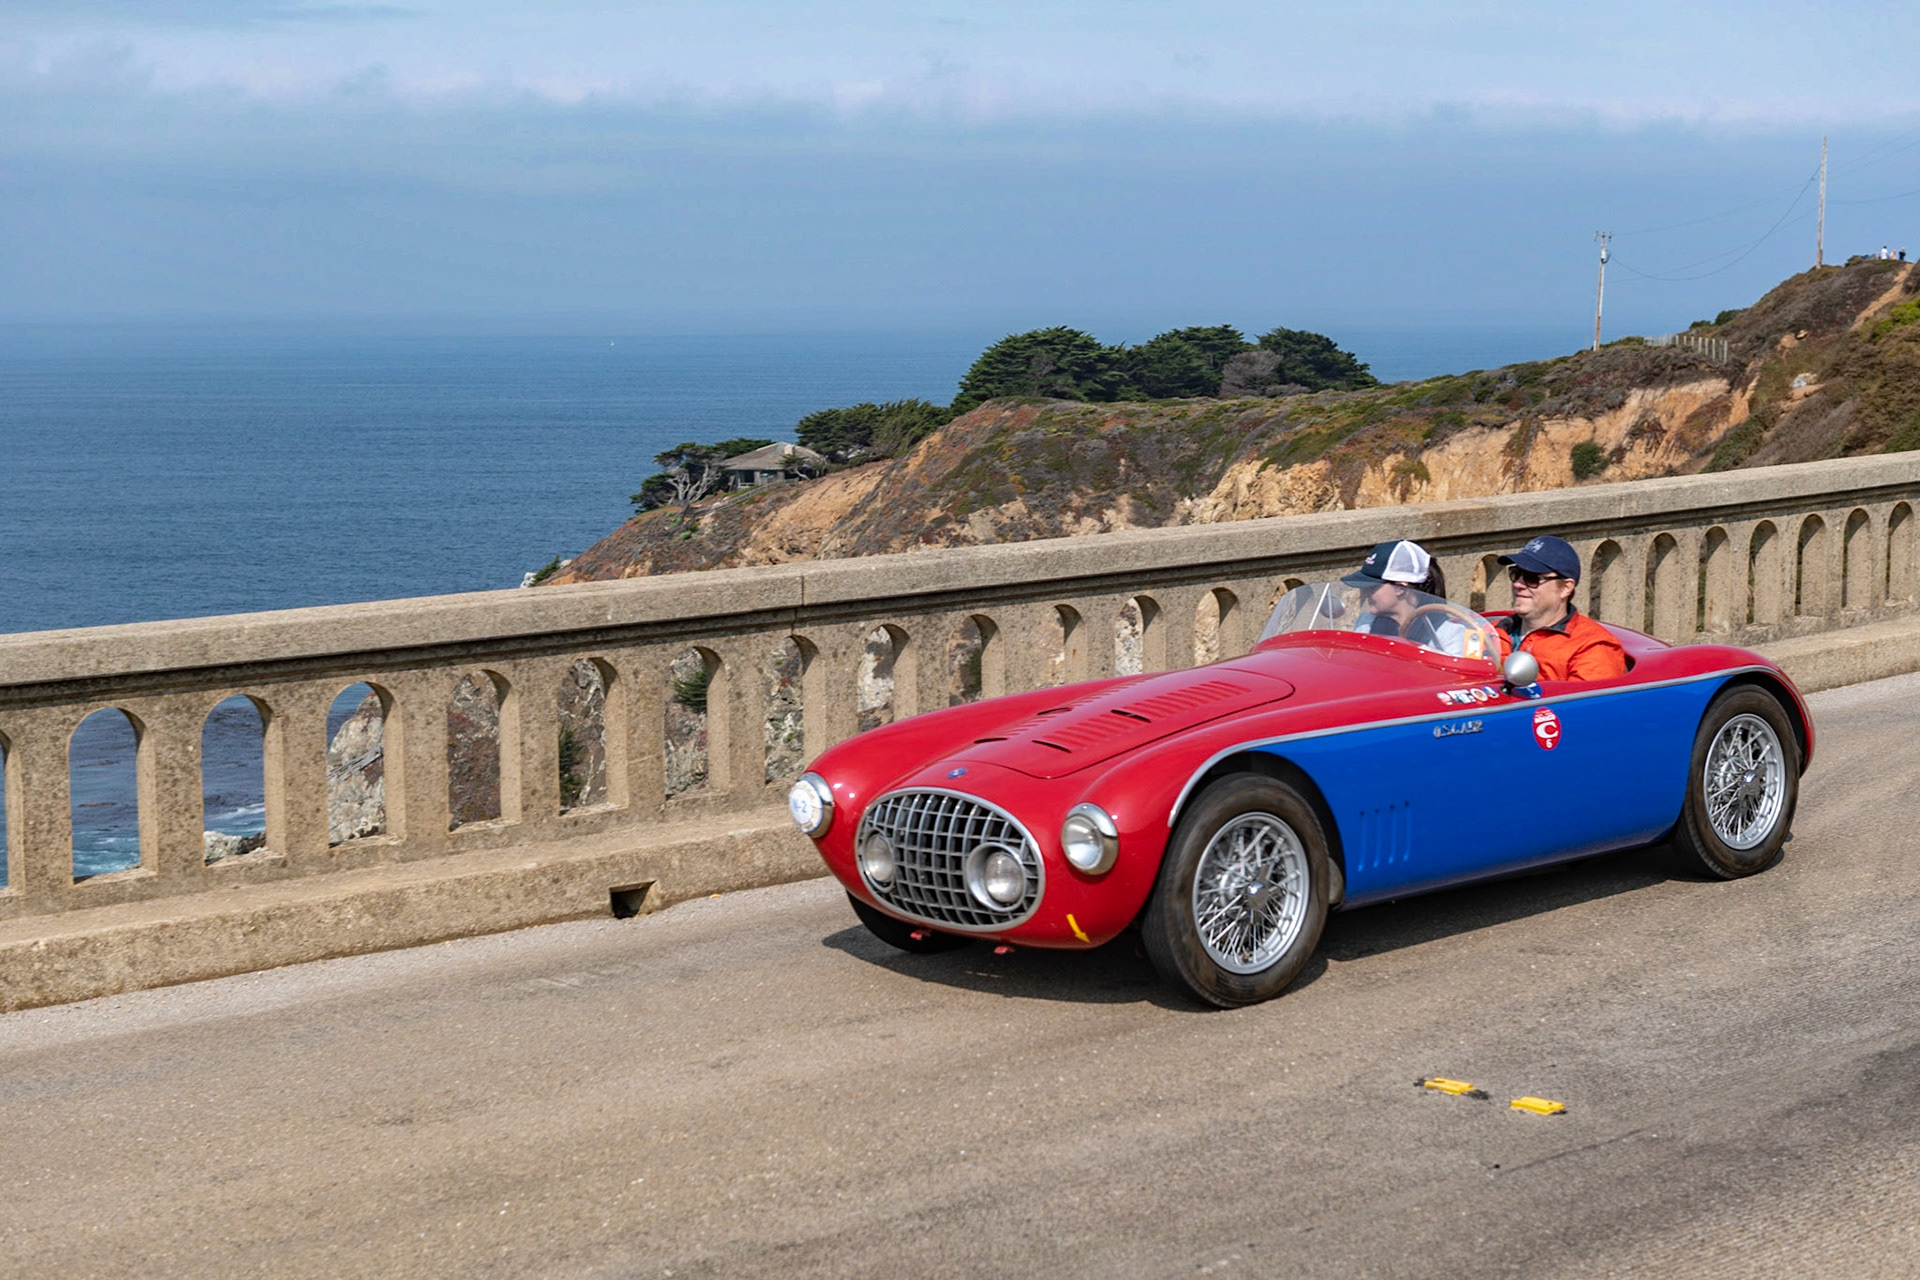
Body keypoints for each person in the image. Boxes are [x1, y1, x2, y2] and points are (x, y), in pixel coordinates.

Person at [1491, 535, 1626, 681]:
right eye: (1515, 574)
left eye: (1532, 578)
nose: (1518, 584)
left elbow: (1585, 703)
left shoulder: (1592, 647)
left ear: (1565, 588)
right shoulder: (1489, 633)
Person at [1342, 539, 1466, 654]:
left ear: (1399, 588)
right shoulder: (1367, 622)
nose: (1364, 593)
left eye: (1372, 587)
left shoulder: (1448, 633)